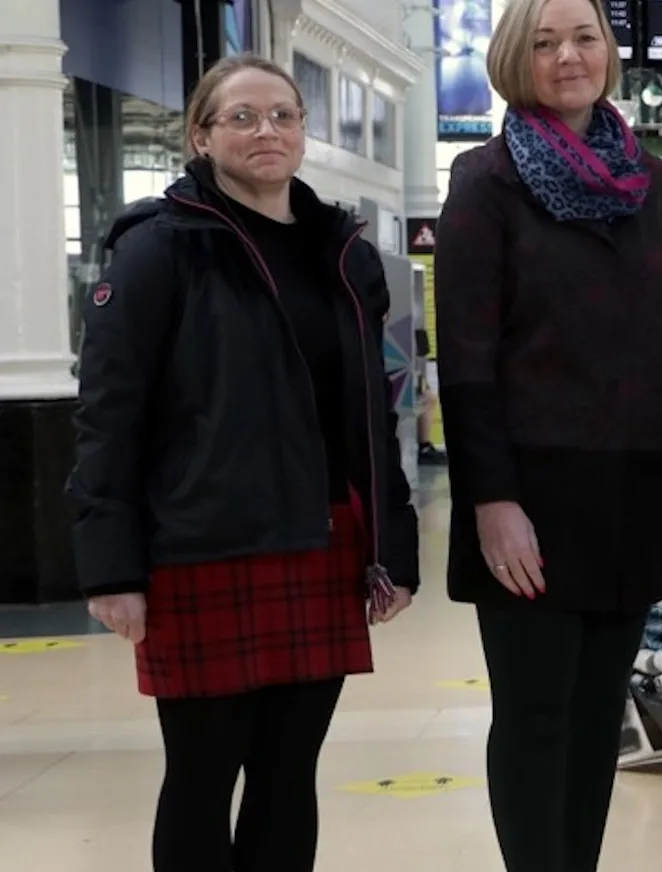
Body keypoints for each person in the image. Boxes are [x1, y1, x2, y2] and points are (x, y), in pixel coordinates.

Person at [66, 53, 419, 872]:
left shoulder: (343, 253)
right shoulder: (159, 248)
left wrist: (392, 546)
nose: (267, 130)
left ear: (303, 131)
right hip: (201, 546)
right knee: (201, 776)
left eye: (283, 115)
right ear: (201, 136)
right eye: (243, 117)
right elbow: (108, 417)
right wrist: (110, 567)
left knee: (289, 775)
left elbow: (369, 415)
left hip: (321, 537)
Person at [431, 0, 662, 868]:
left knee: (600, 716)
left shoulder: (645, 182)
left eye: (585, 37)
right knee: (536, 713)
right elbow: (468, 358)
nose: (568, 56)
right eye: (545, 41)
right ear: (512, 58)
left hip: (633, 491)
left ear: (609, 51)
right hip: (532, 496)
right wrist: (491, 499)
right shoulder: (485, 182)